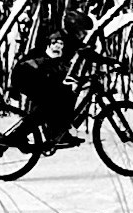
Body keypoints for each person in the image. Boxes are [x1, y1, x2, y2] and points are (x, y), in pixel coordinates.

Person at [9, 9, 96, 151]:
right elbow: (87, 54)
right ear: (74, 28)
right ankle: (18, 135)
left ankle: (57, 133)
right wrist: (112, 62)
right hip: (26, 75)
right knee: (49, 104)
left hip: (32, 75)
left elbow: (85, 54)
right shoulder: (61, 40)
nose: (83, 35)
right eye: (82, 31)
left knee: (63, 95)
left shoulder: (66, 39)